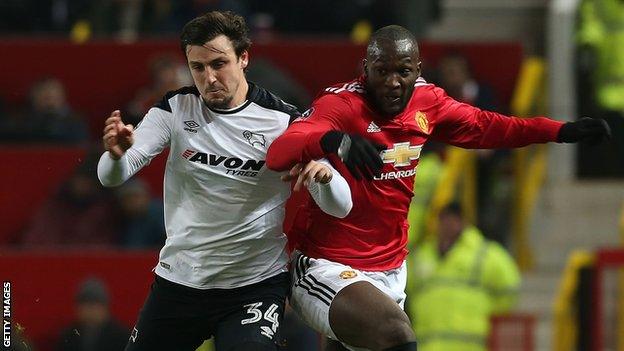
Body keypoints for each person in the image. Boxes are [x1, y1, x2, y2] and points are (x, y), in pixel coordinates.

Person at [265, 25, 611, 351]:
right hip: (323, 265)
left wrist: (558, 131)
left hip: (390, 270)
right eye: (381, 71)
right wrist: (335, 140)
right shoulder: (340, 106)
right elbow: (280, 152)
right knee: (396, 334)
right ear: (365, 68)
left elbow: (488, 126)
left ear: (418, 69)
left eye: (403, 71)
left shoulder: (428, 103)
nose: (393, 82)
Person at [96, 11, 352, 351]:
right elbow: (112, 177)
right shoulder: (175, 109)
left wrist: (325, 176)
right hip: (180, 283)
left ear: (244, 57)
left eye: (219, 64)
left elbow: (342, 204)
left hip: (254, 287)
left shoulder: (285, 121)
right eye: (198, 67)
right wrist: (115, 156)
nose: (209, 77)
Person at [409, 202, 520, 351]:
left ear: (463, 222)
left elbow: (509, 290)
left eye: (453, 219)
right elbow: (408, 291)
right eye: (443, 219)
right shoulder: (421, 256)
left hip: (470, 346)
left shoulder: (485, 254)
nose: (447, 225)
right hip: (428, 346)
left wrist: (489, 312)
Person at [56, 278, 129, 351]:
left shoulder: (122, 337)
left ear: (106, 308)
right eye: (86, 305)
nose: (90, 311)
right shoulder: (68, 337)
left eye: (95, 305)